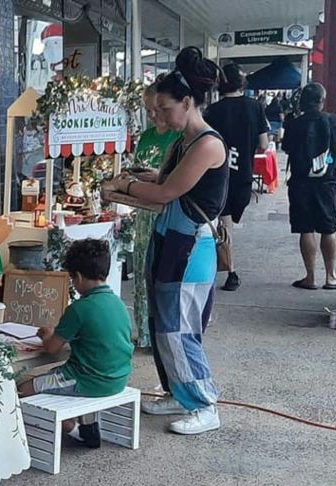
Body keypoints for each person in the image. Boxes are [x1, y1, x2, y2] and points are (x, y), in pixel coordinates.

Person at [101, 46, 228, 435]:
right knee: (161, 322)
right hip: (169, 238)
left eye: (164, 109)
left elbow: (166, 191)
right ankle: (178, 390)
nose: (158, 117)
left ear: (187, 102)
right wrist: (137, 179)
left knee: (179, 327)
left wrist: (126, 184)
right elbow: (163, 180)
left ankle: (204, 403)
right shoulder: (182, 141)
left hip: (190, 246)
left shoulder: (207, 143)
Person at [18, 239, 134, 447]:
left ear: (78, 277)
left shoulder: (80, 308)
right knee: (51, 375)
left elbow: (52, 348)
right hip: (118, 377)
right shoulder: (118, 303)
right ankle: (83, 425)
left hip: (88, 380)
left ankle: (78, 431)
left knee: (24, 388)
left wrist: (47, 334)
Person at [204, 62, 270, 291]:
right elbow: (264, 143)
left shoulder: (212, 111)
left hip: (217, 173)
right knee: (227, 221)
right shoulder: (255, 107)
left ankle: (228, 269)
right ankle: (228, 268)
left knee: (224, 221)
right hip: (243, 174)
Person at [130, 78, 181, 348]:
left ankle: (162, 332)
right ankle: (144, 331)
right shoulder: (146, 136)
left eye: (155, 109)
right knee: (141, 270)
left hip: (164, 210)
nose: (151, 115)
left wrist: (156, 177)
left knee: (161, 271)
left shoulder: (178, 136)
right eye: (147, 110)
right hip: (143, 212)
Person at [282, 82, 336, 290]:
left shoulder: (294, 123)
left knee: (305, 228)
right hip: (326, 182)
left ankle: (310, 277)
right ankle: (331, 275)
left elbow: (287, 148)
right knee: (329, 228)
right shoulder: (333, 121)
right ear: (322, 101)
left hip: (300, 182)